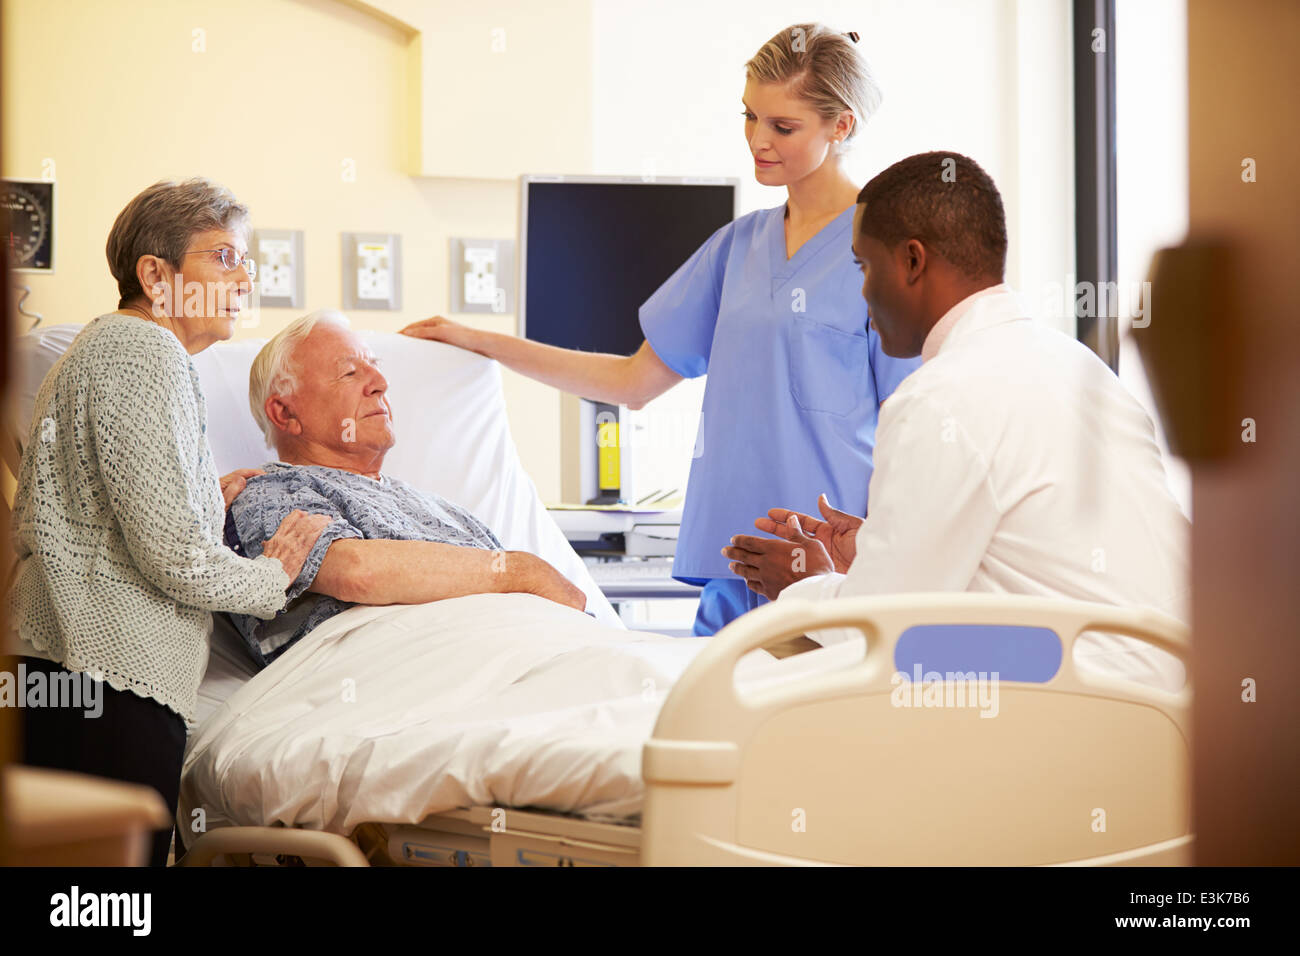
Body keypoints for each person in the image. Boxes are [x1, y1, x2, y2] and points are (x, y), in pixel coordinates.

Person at [400, 24, 920, 636]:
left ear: (842, 126)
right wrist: (481, 341)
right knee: (717, 726)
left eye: (783, 127)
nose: (758, 139)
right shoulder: (736, 249)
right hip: (737, 556)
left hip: (833, 567)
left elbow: (909, 428)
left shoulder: (885, 253)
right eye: (749, 116)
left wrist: (879, 552)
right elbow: (633, 381)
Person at [722, 151, 1189, 691]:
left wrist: (803, 583)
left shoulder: (936, 399)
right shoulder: (1079, 367)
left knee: (783, 664)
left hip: (1091, 708)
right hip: (1179, 693)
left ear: (912, 262)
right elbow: (1031, 556)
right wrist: (880, 547)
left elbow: (877, 631)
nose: (863, 293)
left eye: (864, 266)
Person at [5, 179, 331, 865]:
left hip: (65, 667)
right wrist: (274, 576)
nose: (246, 279)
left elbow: (100, 506)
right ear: (156, 275)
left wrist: (202, 497)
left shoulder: (103, 350)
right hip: (109, 677)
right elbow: (175, 558)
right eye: (224, 258)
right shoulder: (146, 353)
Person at [225, 311, 588, 668]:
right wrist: (519, 571)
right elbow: (356, 572)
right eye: (349, 372)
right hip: (418, 673)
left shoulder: (444, 510)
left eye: (375, 367)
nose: (380, 382)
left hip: (534, 650)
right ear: (285, 414)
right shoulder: (268, 493)